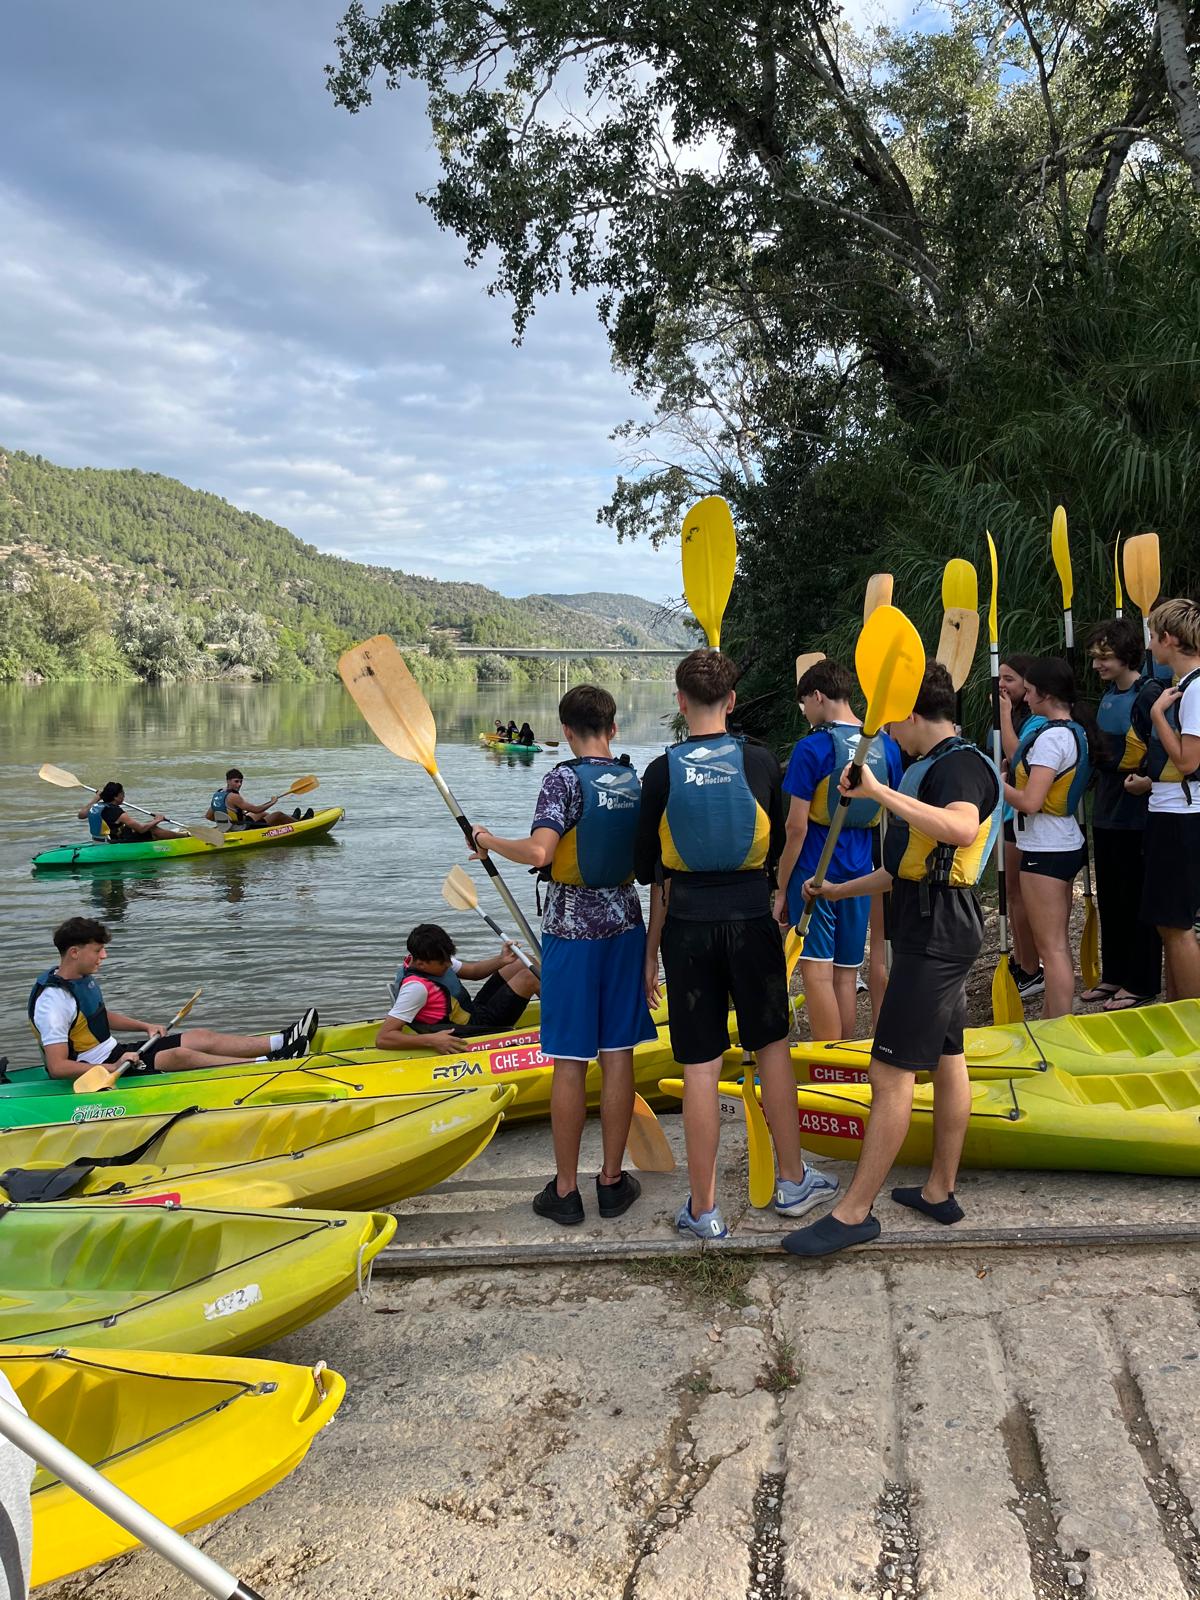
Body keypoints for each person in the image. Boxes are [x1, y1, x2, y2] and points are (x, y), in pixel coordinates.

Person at [783, 661, 1002, 1257]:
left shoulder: (958, 766)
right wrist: (836, 890)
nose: (886, 733)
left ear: (909, 712)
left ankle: (854, 1213)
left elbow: (960, 830)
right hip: (936, 923)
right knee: (949, 1057)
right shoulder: (938, 763)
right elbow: (904, 867)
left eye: (890, 720)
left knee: (889, 1073)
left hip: (937, 933)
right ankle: (939, 1191)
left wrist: (877, 791)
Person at [635, 648, 824, 1240]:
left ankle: (705, 1208)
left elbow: (651, 873)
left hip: (687, 926)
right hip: (751, 920)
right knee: (772, 1048)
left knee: (700, 1064)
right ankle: (793, 1182)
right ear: (733, 701)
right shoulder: (760, 761)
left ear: (680, 702)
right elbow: (782, 841)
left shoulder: (660, 772)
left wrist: (650, 952)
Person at [470, 684, 656, 1225]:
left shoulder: (562, 779)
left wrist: (487, 840)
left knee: (571, 1062)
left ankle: (567, 1190)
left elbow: (539, 852)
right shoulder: (633, 778)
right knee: (618, 1053)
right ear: (613, 729)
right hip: (626, 926)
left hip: (572, 933)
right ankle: (613, 1183)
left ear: (567, 731)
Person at [774, 660, 903, 1041]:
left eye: (804, 705)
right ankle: (843, 1055)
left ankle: (827, 1056)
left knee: (816, 972)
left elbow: (796, 827)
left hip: (814, 873)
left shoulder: (811, 747)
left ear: (818, 696)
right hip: (860, 874)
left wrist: (781, 887)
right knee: (846, 974)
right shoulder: (886, 746)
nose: (805, 714)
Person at [29, 917, 317, 1080]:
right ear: (74, 952)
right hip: (97, 1068)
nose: (103, 955)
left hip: (114, 1052)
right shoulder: (53, 1002)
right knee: (179, 1056)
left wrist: (145, 1026)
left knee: (200, 1036)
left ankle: (282, 1041)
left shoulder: (78, 979)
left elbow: (97, 1017)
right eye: (97, 950)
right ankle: (269, 1064)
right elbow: (58, 1067)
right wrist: (112, 1067)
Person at [1003, 658, 1095, 1019]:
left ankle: (1057, 1025)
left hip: (1047, 848)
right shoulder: (1072, 730)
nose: (1025, 697)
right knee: (1055, 945)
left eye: (1029, 691)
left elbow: (1030, 801)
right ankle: (1052, 1018)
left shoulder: (1053, 737)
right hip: (1061, 842)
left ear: (1045, 694)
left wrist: (997, 783)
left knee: (1052, 948)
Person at [1085, 619, 1160, 1008]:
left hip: (1137, 816)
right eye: (1095, 657)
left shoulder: (1149, 695)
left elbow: (1165, 752)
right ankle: (1114, 975)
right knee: (1111, 898)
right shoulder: (1109, 695)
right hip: (1107, 812)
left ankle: (1141, 982)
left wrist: (1148, 780)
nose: (1097, 665)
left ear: (1127, 655)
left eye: (1105, 657)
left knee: (1136, 899)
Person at [1133, 598, 1200, 1001]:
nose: (1149, 645)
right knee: (1167, 922)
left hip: (1183, 814)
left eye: (1152, 636)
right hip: (1169, 810)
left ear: (1169, 639)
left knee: (1177, 924)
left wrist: (1158, 715)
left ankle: (1192, 1022)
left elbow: (1188, 761)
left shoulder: (1195, 689)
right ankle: (1175, 1007)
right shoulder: (1185, 685)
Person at [374, 923, 539, 1053]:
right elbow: (383, 1038)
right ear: (421, 964)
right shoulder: (415, 988)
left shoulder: (434, 958)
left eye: (449, 959)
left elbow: (474, 972)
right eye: (443, 963)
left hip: (474, 1012)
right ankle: (555, 1029)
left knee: (524, 960)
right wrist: (431, 1040)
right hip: (472, 1029)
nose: (448, 965)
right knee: (530, 977)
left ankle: (552, 1004)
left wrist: (502, 959)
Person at [998, 653, 1043, 997]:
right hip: (1008, 813)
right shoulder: (1016, 717)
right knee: (1012, 893)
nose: (1001, 685)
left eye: (1009, 679)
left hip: (1021, 816)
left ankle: (1031, 968)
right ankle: (1022, 960)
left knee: (1018, 894)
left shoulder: (1034, 720)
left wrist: (1003, 715)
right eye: (999, 678)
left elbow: (1017, 757)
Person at [77, 782, 175, 843]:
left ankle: (172, 835)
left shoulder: (97, 806)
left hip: (99, 840)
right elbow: (141, 829)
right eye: (122, 793)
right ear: (115, 797)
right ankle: (183, 837)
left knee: (143, 827)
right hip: (115, 841)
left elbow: (81, 815)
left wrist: (97, 797)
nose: (124, 796)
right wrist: (157, 820)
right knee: (153, 829)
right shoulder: (117, 812)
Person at [206, 769, 306, 829]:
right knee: (278, 814)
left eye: (241, 781)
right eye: (236, 781)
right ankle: (300, 823)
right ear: (228, 781)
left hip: (234, 824)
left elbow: (209, 816)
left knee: (263, 814)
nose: (239, 784)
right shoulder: (234, 797)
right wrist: (272, 802)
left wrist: (227, 821)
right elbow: (256, 809)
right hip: (242, 827)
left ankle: (291, 819)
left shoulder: (218, 794)